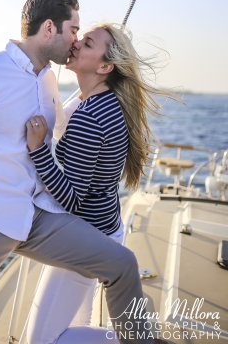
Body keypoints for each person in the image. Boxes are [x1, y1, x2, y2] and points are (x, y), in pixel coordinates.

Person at [0, 0, 159, 344]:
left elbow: (59, 125)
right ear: (49, 29)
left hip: (36, 216)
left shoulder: (48, 79)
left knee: (121, 263)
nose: (76, 40)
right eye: (74, 30)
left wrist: (90, 97)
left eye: (81, 35)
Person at [25, 22, 174, 344]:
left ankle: (140, 340)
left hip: (85, 237)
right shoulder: (102, 103)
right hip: (104, 229)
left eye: (88, 43)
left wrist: (38, 149)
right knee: (79, 323)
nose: (75, 42)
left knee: (43, 340)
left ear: (106, 66)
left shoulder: (91, 117)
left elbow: (71, 198)